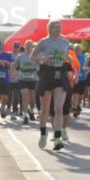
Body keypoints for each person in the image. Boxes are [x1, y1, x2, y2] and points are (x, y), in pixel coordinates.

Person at [30, 20, 72, 151]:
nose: (58, 29)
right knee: (44, 110)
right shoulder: (43, 42)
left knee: (59, 109)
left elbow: (65, 56)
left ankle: (57, 137)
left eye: (60, 27)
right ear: (50, 28)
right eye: (55, 27)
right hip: (47, 75)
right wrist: (42, 59)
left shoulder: (65, 41)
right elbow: (32, 57)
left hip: (60, 75)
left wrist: (67, 59)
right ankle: (43, 133)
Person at [14, 40, 39, 123]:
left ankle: (31, 111)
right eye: (27, 46)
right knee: (25, 98)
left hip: (33, 79)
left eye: (30, 46)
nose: (28, 47)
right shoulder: (20, 56)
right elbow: (14, 66)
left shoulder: (36, 56)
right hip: (22, 79)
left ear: (32, 47)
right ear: (24, 47)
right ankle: (25, 115)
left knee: (32, 99)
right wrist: (13, 74)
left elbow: (41, 66)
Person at [71, 44, 88, 118]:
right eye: (76, 49)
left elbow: (85, 66)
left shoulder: (84, 57)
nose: (77, 50)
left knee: (81, 95)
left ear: (81, 50)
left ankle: (77, 105)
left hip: (82, 78)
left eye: (79, 49)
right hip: (74, 78)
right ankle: (75, 109)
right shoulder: (71, 57)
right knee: (75, 94)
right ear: (73, 50)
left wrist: (86, 68)